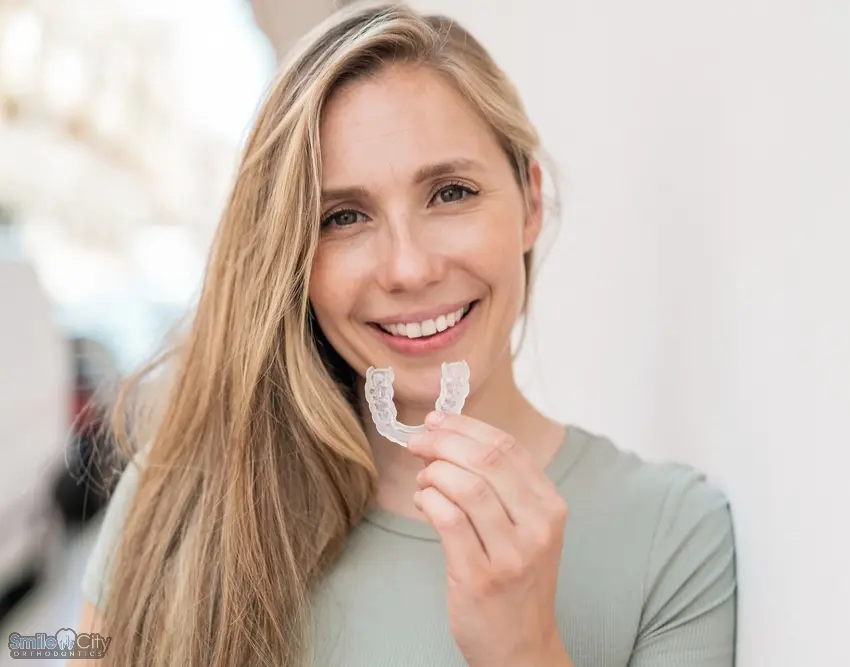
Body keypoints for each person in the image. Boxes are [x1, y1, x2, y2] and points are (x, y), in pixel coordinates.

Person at [77, 3, 737, 666]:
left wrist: (525, 648)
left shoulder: (673, 539)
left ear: (530, 203)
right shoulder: (178, 501)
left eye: (451, 193)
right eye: (343, 217)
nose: (409, 268)